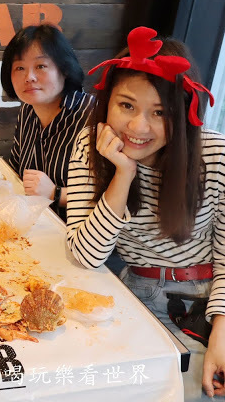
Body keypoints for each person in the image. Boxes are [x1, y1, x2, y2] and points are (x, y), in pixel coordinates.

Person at [66, 26, 223, 400]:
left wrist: (221, 331)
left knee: (193, 392)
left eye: (160, 112)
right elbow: (85, 256)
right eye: (127, 106)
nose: (138, 127)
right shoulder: (91, 146)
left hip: (205, 302)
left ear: (184, 113)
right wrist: (123, 173)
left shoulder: (214, 157)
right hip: (134, 294)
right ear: (108, 102)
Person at [0, 24, 95, 220]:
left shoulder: (93, 116)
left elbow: (114, 198)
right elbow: (17, 172)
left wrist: (55, 193)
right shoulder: (27, 110)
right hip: (34, 224)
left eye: (40, 66)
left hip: (77, 233)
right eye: (20, 68)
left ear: (64, 69)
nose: (29, 77)